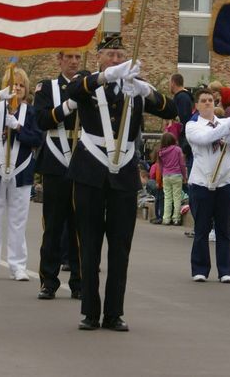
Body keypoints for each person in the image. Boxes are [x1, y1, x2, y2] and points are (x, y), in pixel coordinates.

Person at [67, 35, 176, 332]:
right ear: (99, 56)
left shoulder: (134, 86)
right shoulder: (88, 81)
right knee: (88, 245)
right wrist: (104, 77)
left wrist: (146, 90)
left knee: (120, 248)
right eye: (110, 55)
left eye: (120, 55)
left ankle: (114, 313)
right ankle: (90, 311)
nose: (116, 60)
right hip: (90, 172)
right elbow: (73, 90)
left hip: (124, 175)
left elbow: (172, 108)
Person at [0, 67, 42, 281]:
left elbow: (37, 139)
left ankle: (17, 265)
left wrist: (19, 128)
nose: (18, 88)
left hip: (20, 171)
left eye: (21, 85)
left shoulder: (30, 112)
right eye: (14, 84)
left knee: (18, 220)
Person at [34, 52, 83, 301]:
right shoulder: (47, 88)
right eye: (69, 57)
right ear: (59, 59)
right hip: (55, 161)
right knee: (53, 225)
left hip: (84, 160)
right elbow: (41, 120)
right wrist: (67, 106)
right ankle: (48, 281)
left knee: (80, 227)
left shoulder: (87, 86)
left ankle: (79, 281)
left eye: (77, 56)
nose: (74, 61)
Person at [185, 88, 230, 283]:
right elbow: (205, 139)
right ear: (197, 105)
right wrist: (226, 129)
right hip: (202, 182)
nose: (208, 103)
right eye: (203, 101)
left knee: (224, 228)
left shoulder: (227, 123)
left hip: (225, 181)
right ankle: (200, 268)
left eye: (210, 100)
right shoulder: (193, 126)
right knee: (202, 227)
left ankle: (225, 270)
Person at [155, 132, 186, 226]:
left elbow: (160, 167)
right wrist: (184, 176)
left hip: (165, 176)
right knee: (177, 197)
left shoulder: (160, 152)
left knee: (167, 197)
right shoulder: (177, 150)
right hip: (176, 175)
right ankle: (176, 218)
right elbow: (182, 164)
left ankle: (166, 218)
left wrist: (159, 179)